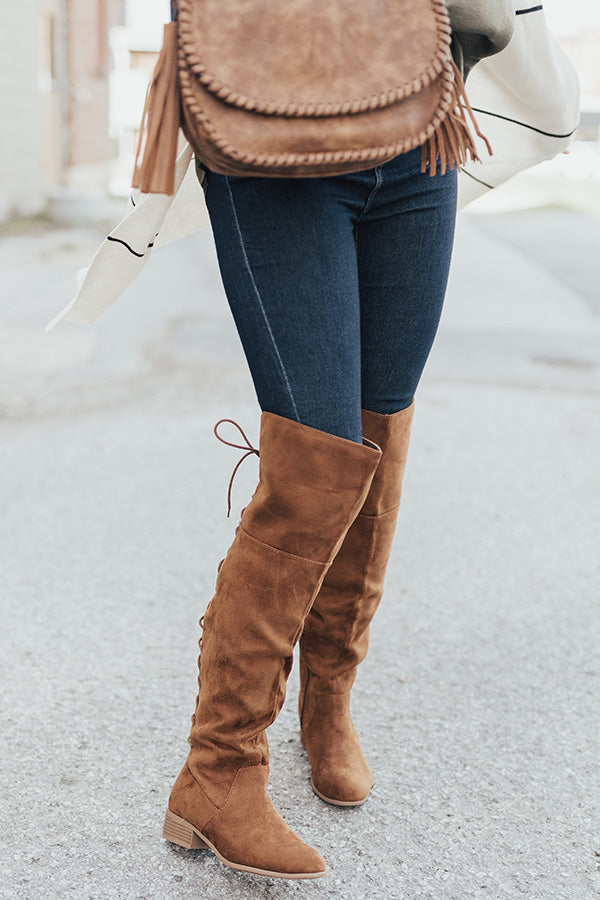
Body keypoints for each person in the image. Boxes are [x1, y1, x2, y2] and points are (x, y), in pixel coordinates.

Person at [157, 2, 519, 882]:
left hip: (419, 116)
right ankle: (219, 769)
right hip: (270, 114)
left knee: (379, 435)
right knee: (314, 458)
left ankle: (329, 696)